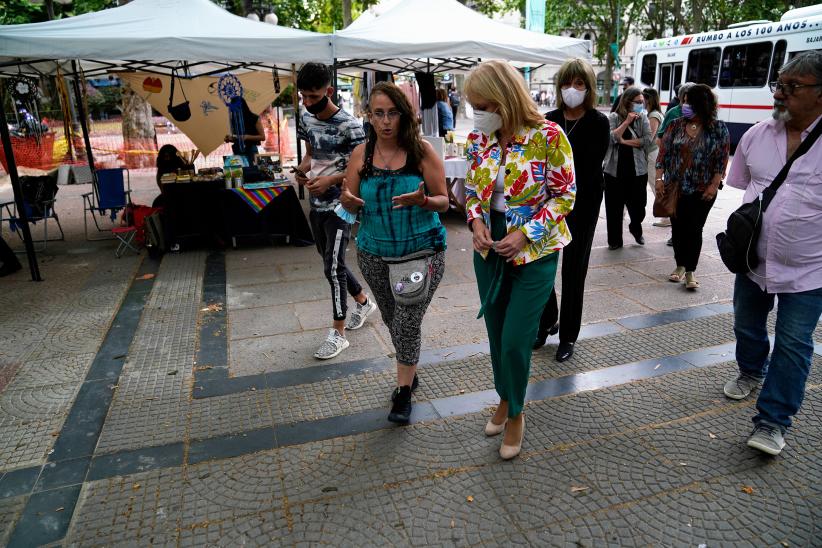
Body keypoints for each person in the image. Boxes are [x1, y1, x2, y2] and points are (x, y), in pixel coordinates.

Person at [464, 60, 576, 460]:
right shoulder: (478, 139)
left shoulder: (549, 135)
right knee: (496, 333)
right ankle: (506, 398)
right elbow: (472, 193)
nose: (477, 112)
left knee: (515, 339)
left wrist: (524, 233)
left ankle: (516, 415)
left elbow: (565, 197)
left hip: (535, 249)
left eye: (483, 104)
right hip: (489, 248)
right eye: (473, 105)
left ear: (504, 99)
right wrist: (475, 221)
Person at [722, 51, 822, 456]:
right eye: (778, 85)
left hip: (810, 271)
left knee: (795, 343)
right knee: (747, 326)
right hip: (752, 262)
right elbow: (742, 185)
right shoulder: (756, 135)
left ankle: (773, 421)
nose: (779, 93)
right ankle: (750, 369)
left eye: (792, 86)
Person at [339, 82, 449, 424]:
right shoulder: (361, 155)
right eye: (378, 114)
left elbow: (444, 201)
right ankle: (409, 366)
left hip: (421, 252)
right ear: (368, 117)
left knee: (406, 320)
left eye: (392, 113)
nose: (386, 121)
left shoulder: (422, 152)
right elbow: (348, 205)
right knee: (392, 318)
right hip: (372, 254)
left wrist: (424, 201)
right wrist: (346, 202)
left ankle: (403, 393)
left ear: (404, 114)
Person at [295, 62, 376, 360]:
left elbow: (365, 169)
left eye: (314, 97)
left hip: (341, 206)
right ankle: (363, 301)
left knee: (332, 266)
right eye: (304, 96)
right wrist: (302, 171)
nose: (308, 103)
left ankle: (338, 333)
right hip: (316, 204)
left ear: (329, 91)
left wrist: (330, 179)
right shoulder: (306, 117)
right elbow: (312, 154)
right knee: (330, 262)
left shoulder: (351, 126)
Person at [534, 58, 609, 363]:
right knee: (541, 268)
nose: (572, 89)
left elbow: (589, 168)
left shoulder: (598, 122)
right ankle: (547, 320)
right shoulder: (548, 120)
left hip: (584, 203)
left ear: (588, 88)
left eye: (579, 83)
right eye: (566, 83)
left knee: (574, 270)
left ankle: (567, 336)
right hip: (548, 204)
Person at [655, 84, 729, 290]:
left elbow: (721, 161)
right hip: (676, 188)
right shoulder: (675, 125)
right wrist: (659, 180)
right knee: (678, 228)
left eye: (689, 101)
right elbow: (663, 154)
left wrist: (714, 186)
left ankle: (690, 271)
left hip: (703, 190)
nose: (684, 105)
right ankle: (679, 265)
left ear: (702, 104)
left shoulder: (718, 128)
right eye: (683, 101)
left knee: (694, 228)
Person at [603, 87, 653, 250]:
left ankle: (635, 227)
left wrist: (625, 142)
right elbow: (611, 138)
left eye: (642, 102)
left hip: (638, 170)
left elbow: (647, 140)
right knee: (614, 208)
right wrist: (626, 122)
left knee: (639, 206)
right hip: (614, 171)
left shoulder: (643, 118)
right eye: (638, 102)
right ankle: (615, 240)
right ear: (627, 102)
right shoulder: (614, 117)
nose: (641, 105)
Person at [643, 87, 669, 227]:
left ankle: (667, 215)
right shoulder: (655, 113)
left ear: (648, 100)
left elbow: (650, 137)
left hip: (653, 153)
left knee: (655, 184)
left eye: (643, 99)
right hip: (654, 153)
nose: (641, 102)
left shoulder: (653, 115)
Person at [223, 97, 265, 165]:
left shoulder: (254, 118)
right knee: (240, 173)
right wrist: (230, 139)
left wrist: (247, 137)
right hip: (238, 150)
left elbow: (262, 137)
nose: (233, 111)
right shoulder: (234, 119)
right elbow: (237, 137)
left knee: (253, 172)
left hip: (251, 150)